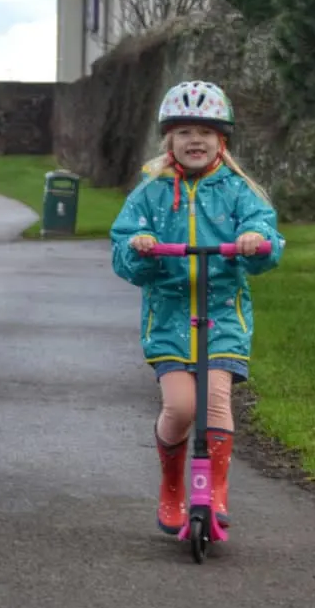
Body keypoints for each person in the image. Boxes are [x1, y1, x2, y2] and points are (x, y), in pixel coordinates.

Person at [109, 80, 285, 535]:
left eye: (205, 132)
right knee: (182, 406)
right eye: (184, 131)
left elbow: (267, 238)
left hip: (223, 314)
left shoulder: (238, 191)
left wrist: (255, 241)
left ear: (221, 140)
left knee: (215, 401)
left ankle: (215, 489)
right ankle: (172, 485)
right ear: (168, 140)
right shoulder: (150, 192)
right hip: (169, 317)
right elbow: (123, 249)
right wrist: (140, 246)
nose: (195, 140)